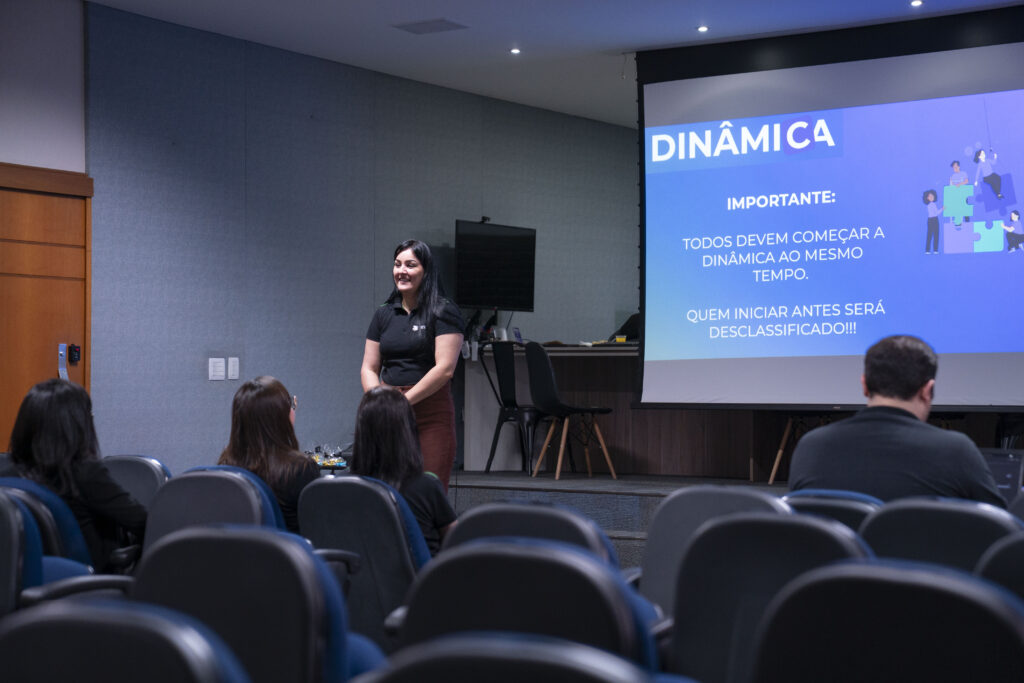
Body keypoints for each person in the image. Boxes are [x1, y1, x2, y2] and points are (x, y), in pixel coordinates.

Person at [788, 335, 1005, 507]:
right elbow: (998, 529)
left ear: (864, 386)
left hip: (836, 564)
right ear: (928, 390)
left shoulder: (811, 446)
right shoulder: (955, 451)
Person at [7, 378, 147, 571]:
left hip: (25, 579)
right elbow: (143, 521)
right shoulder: (85, 474)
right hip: (88, 585)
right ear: (77, 425)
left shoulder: (8, 471)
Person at [361, 239, 464, 490]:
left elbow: (445, 369)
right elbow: (369, 368)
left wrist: (402, 402)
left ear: (426, 271)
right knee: (387, 491)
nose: (402, 271)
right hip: (389, 416)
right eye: (397, 265)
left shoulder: (444, 310)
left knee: (429, 493)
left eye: (410, 265)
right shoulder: (384, 313)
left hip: (431, 412)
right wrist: (379, 402)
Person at [349, 386, 457, 555]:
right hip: (421, 580)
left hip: (357, 580)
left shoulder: (342, 487)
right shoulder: (426, 487)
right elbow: (457, 544)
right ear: (407, 430)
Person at [218, 376, 320, 532]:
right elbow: (318, 531)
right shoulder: (301, 470)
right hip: (287, 555)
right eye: (291, 405)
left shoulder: (226, 465)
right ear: (282, 417)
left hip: (239, 554)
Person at [922, 189, 942, 253]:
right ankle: (933, 250)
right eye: (930, 196)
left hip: (931, 220)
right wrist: (942, 209)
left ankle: (930, 250)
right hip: (933, 219)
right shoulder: (931, 205)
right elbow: (936, 213)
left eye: (932, 196)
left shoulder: (932, 204)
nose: (932, 197)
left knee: (931, 235)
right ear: (927, 198)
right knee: (933, 235)